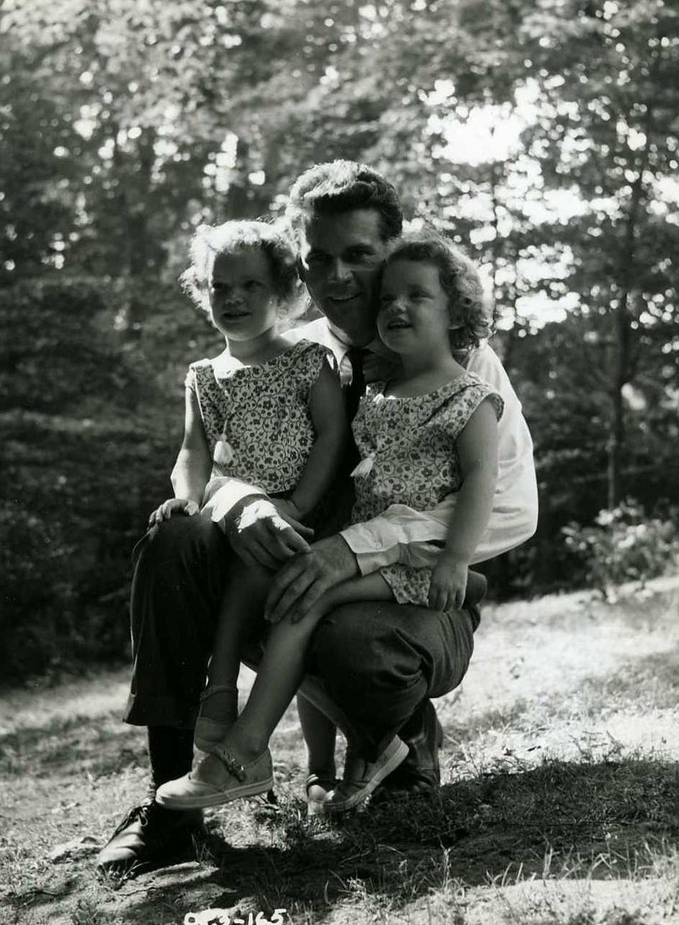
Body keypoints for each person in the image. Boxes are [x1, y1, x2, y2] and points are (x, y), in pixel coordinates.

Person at [97, 161, 538, 878]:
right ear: (297, 266)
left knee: (351, 636)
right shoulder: (291, 354)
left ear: (393, 249)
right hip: (291, 571)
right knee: (175, 540)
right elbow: (217, 462)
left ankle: (400, 745)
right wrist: (240, 503)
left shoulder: (458, 358)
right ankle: (171, 804)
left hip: (410, 596)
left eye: (358, 254)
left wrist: (355, 550)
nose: (338, 276)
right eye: (318, 258)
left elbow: (514, 508)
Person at [154, 228, 509, 814]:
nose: (396, 307)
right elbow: (207, 454)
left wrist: (455, 560)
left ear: (457, 310)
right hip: (370, 557)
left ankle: (244, 751)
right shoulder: (379, 391)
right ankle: (357, 756)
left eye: (417, 296)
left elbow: (482, 487)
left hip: (420, 563)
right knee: (297, 596)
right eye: (388, 297)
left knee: (304, 599)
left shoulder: (470, 397)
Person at [150, 220, 347, 755]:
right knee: (222, 563)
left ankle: (221, 694)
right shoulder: (204, 375)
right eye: (220, 287)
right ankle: (216, 696)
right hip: (234, 514)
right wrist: (187, 498)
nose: (233, 298)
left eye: (251, 286)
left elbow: (332, 435)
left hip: (302, 514)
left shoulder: (306, 359)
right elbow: (193, 450)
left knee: (259, 571)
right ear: (204, 293)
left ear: (282, 292)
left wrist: (298, 503)